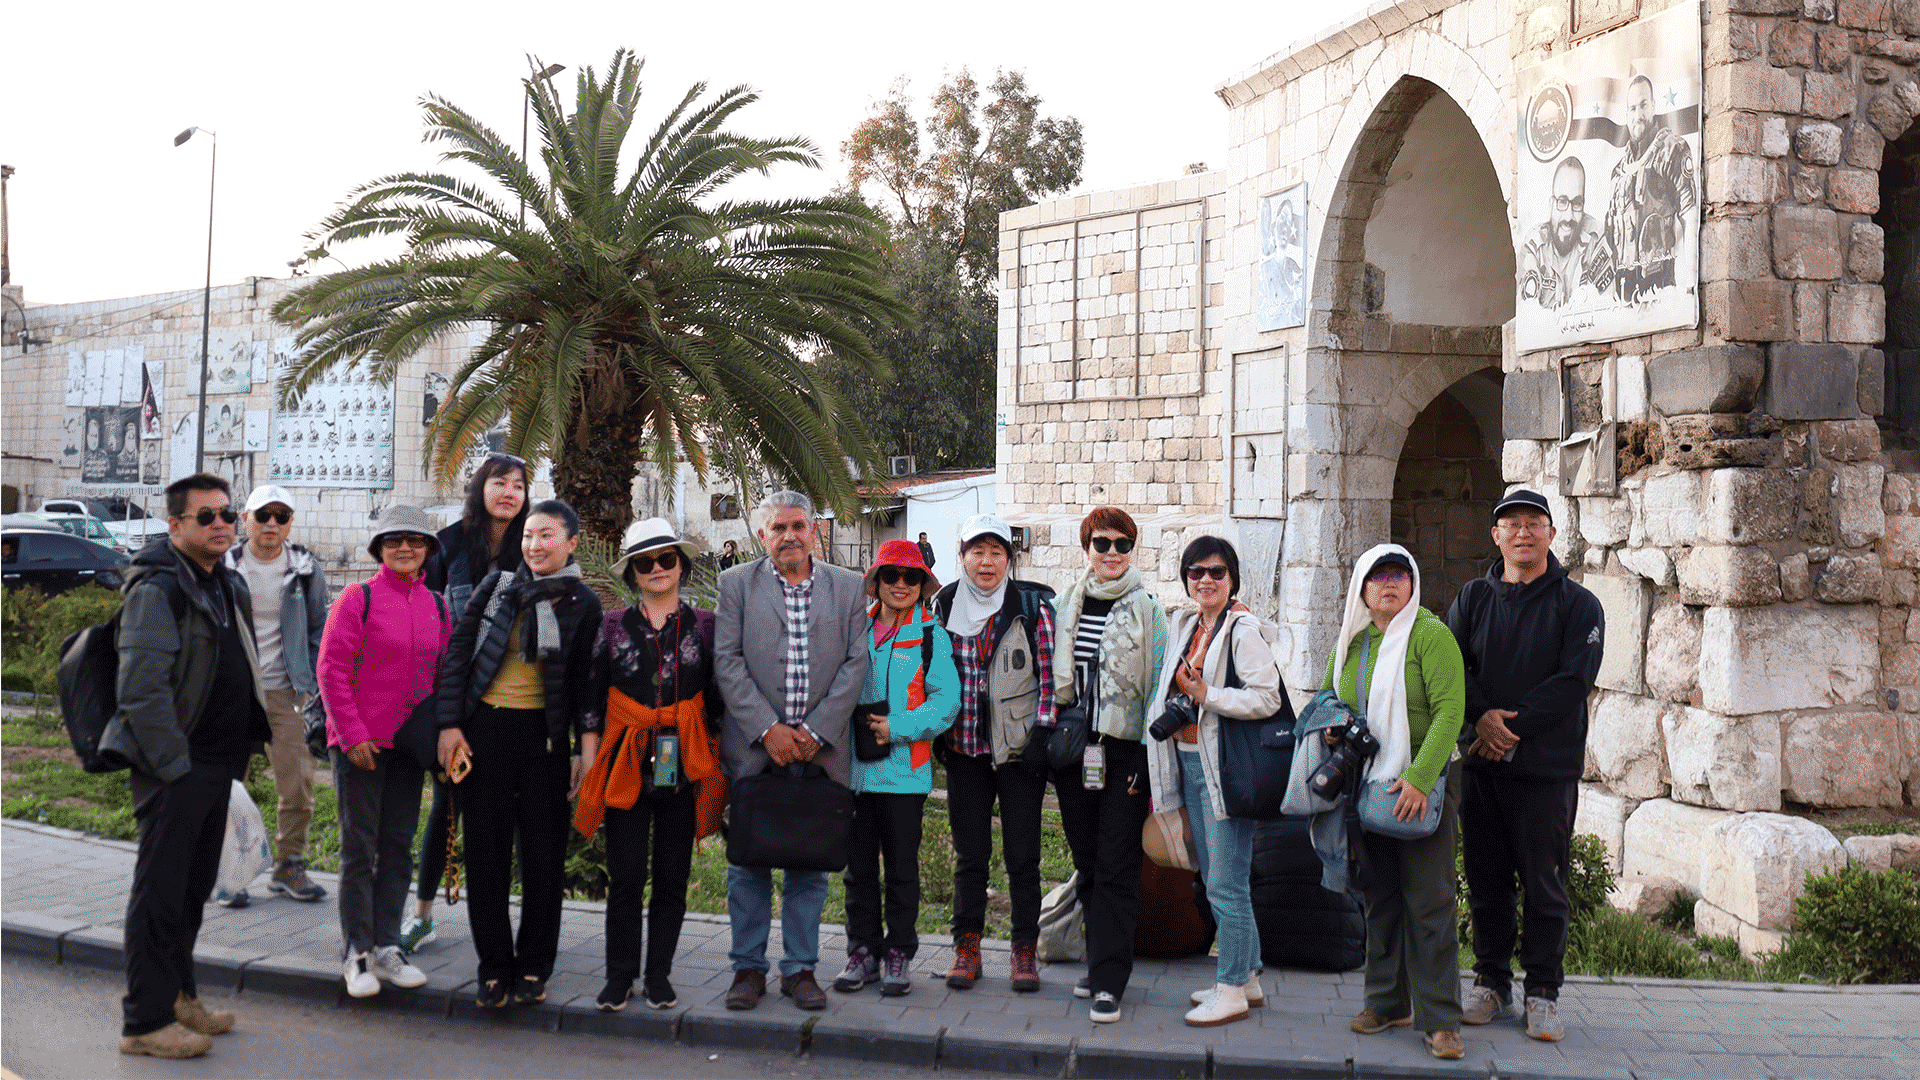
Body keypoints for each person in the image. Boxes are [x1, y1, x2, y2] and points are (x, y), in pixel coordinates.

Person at [107, 473, 272, 1058]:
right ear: (175, 525)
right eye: (206, 516)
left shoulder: (225, 582)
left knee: (192, 888)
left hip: (218, 763)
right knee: (160, 892)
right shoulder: (159, 589)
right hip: (174, 765)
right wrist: (174, 765)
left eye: (226, 513)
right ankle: (143, 1022)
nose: (221, 524)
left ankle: (180, 997)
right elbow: (141, 689)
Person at [1445, 490, 1604, 1043]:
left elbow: (1573, 681)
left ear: (1551, 535)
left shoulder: (1579, 605)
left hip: (1545, 770)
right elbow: (1451, 666)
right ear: (1496, 536)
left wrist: (1506, 732)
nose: (1522, 533)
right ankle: (1491, 982)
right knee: (1486, 880)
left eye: (1534, 523)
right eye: (1511, 524)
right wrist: (1480, 718)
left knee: (1543, 885)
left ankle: (1543, 992)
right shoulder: (1472, 598)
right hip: (1483, 768)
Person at [435, 500, 603, 1009]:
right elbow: (458, 656)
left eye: (546, 535)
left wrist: (585, 751)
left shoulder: (582, 603)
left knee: (543, 858)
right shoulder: (497, 586)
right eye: (529, 535)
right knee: (486, 853)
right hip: (484, 732)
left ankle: (533, 966)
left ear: (571, 543)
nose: (534, 545)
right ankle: (493, 967)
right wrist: (449, 726)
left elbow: (586, 684)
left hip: (544, 741)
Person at [713, 491, 868, 1012]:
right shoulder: (737, 584)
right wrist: (768, 730)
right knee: (747, 865)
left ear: (814, 531)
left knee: (810, 864)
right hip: (756, 752)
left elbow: (856, 663)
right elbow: (727, 660)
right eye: (778, 528)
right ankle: (747, 969)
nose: (789, 536)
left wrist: (815, 732)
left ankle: (800, 970)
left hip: (820, 753)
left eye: (798, 526)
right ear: (763, 536)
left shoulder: (848, 586)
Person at [574, 518, 726, 1013]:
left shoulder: (707, 626)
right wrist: (590, 768)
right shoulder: (612, 626)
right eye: (645, 562)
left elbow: (718, 701)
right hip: (625, 763)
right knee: (624, 877)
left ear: (681, 565)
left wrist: (720, 768)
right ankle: (619, 976)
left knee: (672, 877)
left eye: (666, 558)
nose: (657, 568)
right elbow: (591, 701)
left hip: (684, 764)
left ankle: (658, 975)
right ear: (632, 573)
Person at [1325, 545, 1468, 1061]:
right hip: (1369, 786)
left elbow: (1450, 711)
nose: (1389, 583)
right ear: (1362, 589)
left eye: (1399, 575)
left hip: (1423, 783)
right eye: (1377, 576)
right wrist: (1332, 728)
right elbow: (1330, 697)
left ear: (1412, 584)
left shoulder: (1430, 635)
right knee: (1380, 896)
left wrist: (1419, 779)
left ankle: (1441, 1020)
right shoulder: (1355, 642)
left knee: (1429, 901)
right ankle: (1386, 1002)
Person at [1143, 536, 1283, 1028]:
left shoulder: (1242, 630)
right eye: (1196, 571)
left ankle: (1231, 989)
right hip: (1188, 761)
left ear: (1232, 579)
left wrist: (1209, 696)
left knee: (1226, 882)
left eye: (1217, 572)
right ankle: (1248, 977)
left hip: (1224, 768)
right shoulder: (1188, 625)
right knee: (1216, 878)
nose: (1206, 580)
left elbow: (1268, 698)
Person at [318, 506, 447, 998]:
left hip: (409, 747)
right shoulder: (358, 598)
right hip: (362, 746)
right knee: (359, 848)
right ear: (379, 549)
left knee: (397, 846)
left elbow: (442, 677)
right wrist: (352, 734)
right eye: (394, 540)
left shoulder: (438, 606)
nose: (405, 548)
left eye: (416, 540)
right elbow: (331, 669)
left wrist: (441, 739)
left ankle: (388, 945)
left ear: (428, 550)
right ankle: (356, 952)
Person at [403, 452, 530, 953]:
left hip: (511, 699)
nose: (509, 493)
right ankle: (422, 914)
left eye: (518, 485)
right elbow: (429, 616)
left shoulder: (531, 546)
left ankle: (510, 923)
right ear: (481, 488)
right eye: (500, 482)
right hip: (455, 694)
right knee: (446, 805)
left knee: (511, 812)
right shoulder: (450, 544)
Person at [931, 513, 1058, 993]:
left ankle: (1024, 952)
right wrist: (938, 733)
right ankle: (967, 949)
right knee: (971, 856)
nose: (986, 562)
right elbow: (932, 671)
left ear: (1009, 558)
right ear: (962, 556)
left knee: (1023, 857)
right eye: (977, 552)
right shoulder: (945, 605)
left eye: (996, 552)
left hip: (1019, 754)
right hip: (964, 750)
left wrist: (1041, 735)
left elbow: (1049, 677)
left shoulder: (1030, 605)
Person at [1051, 507, 1167, 1023]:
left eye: (1123, 544)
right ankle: (1097, 960)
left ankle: (1109, 980)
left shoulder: (1148, 609)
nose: (1113, 553)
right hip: (1076, 749)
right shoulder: (1064, 605)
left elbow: (1158, 684)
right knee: (1088, 860)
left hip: (1123, 751)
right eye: (1102, 543)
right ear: (1087, 548)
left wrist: (1145, 754)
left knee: (1118, 863)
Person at [832, 540, 959, 998]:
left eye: (911, 577)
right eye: (891, 576)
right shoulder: (855, 629)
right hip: (855, 773)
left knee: (902, 871)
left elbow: (947, 703)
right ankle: (862, 951)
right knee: (858, 871)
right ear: (876, 582)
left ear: (923, 585)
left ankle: (898, 952)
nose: (901, 585)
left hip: (906, 773)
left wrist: (899, 728)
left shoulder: (931, 636)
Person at [218, 484, 330, 908]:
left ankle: (289, 866)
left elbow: (319, 627)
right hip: (235, 691)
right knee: (226, 783)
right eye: (263, 515)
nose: (271, 523)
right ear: (245, 519)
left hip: (287, 691)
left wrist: (312, 682)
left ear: (290, 523)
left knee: (298, 782)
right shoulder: (224, 566)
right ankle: (229, 872)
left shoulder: (304, 568)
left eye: (281, 516)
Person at [1604, 74, 1696, 301]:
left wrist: (1691, 284)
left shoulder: (1671, 151)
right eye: (1632, 108)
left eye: (1643, 105)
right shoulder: (1618, 172)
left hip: (1660, 294)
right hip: (1624, 298)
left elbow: (1690, 217)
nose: (1638, 115)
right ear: (1627, 114)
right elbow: (1611, 240)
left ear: (1654, 106)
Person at [1521, 157, 1610, 310]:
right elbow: (1527, 314)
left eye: (1576, 204)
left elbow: (1607, 308)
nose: (1569, 217)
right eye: (1562, 202)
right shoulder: (1535, 247)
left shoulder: (1596, 238)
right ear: (1551, 203)